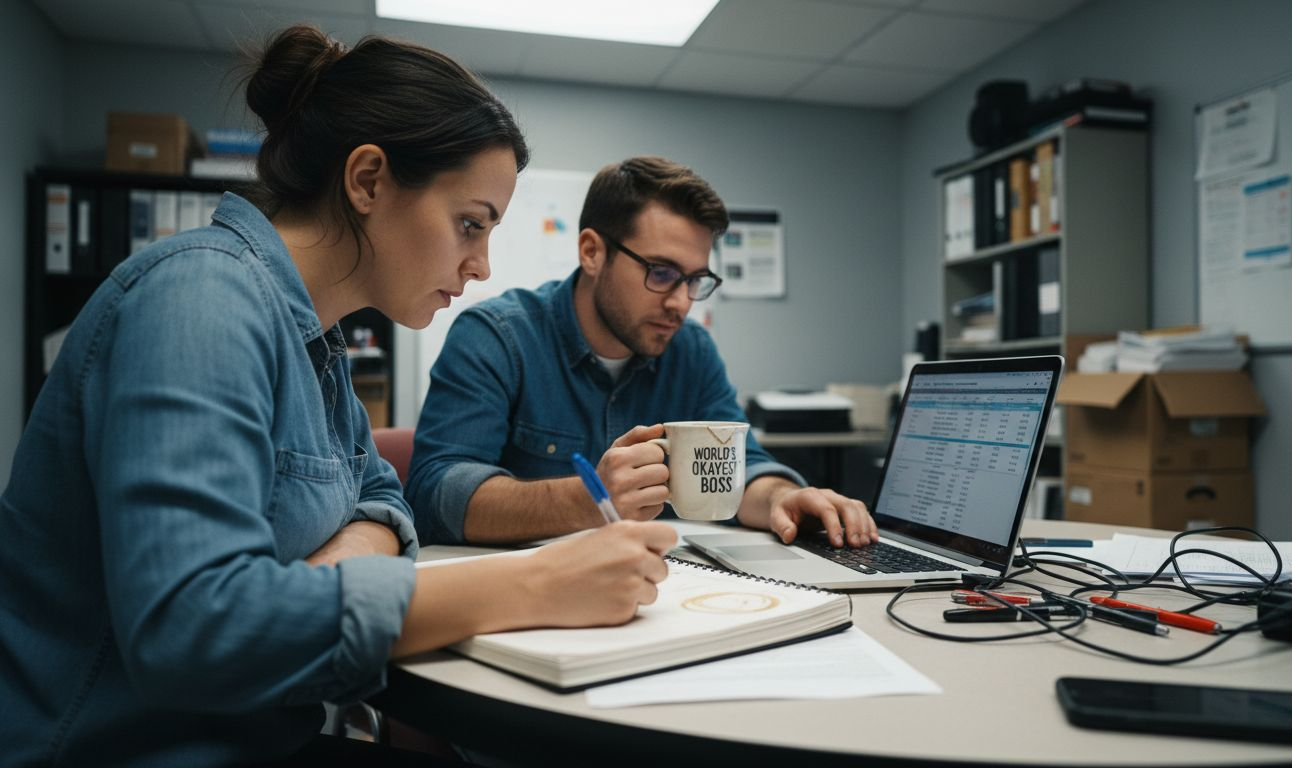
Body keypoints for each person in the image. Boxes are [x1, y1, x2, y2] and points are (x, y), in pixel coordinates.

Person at [0, 26, 675, 767]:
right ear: (367, 181)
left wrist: (325, 574)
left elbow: (383, 500)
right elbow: (193, 630)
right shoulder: (201, 300)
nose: (480, 265)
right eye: (469, 224)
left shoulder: (315, 342)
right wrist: (534, 583)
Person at [407, 156, 879, 548]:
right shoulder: (496, 338)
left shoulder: (690, 351)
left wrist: (781, 497)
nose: (680, 303)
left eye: (695, 280)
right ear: (592, 252)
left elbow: (743, 466)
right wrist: (582, 499)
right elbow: (434, 493)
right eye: (661, 272)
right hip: (526, 600)